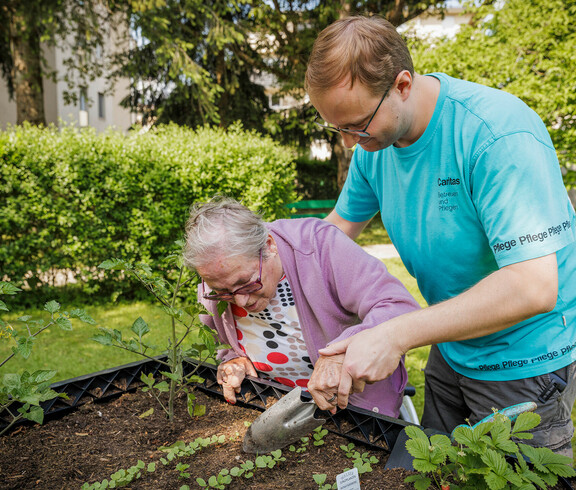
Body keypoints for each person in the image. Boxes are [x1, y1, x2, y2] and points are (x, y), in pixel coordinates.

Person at [305, 15, 576, 455]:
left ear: (403, 85)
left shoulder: (496, 134)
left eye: (357, 125)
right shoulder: (377, 147)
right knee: (433, 470)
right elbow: (331, 237)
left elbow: (534, 287)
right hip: (449, 344)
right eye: (338, 129)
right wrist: (262, 258)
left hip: (525, 362)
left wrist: (394, 335)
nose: (351, 143)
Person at [182, 196, 420, 417]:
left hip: (353, 410)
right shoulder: (216, 278)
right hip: (274, 409)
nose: (241, 301)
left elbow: (397, 306)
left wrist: (345, 352)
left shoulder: (319, 245)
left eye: (246, 283)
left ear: (270, 245)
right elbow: (223, 341)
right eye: (224, 293)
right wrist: (235, 359)